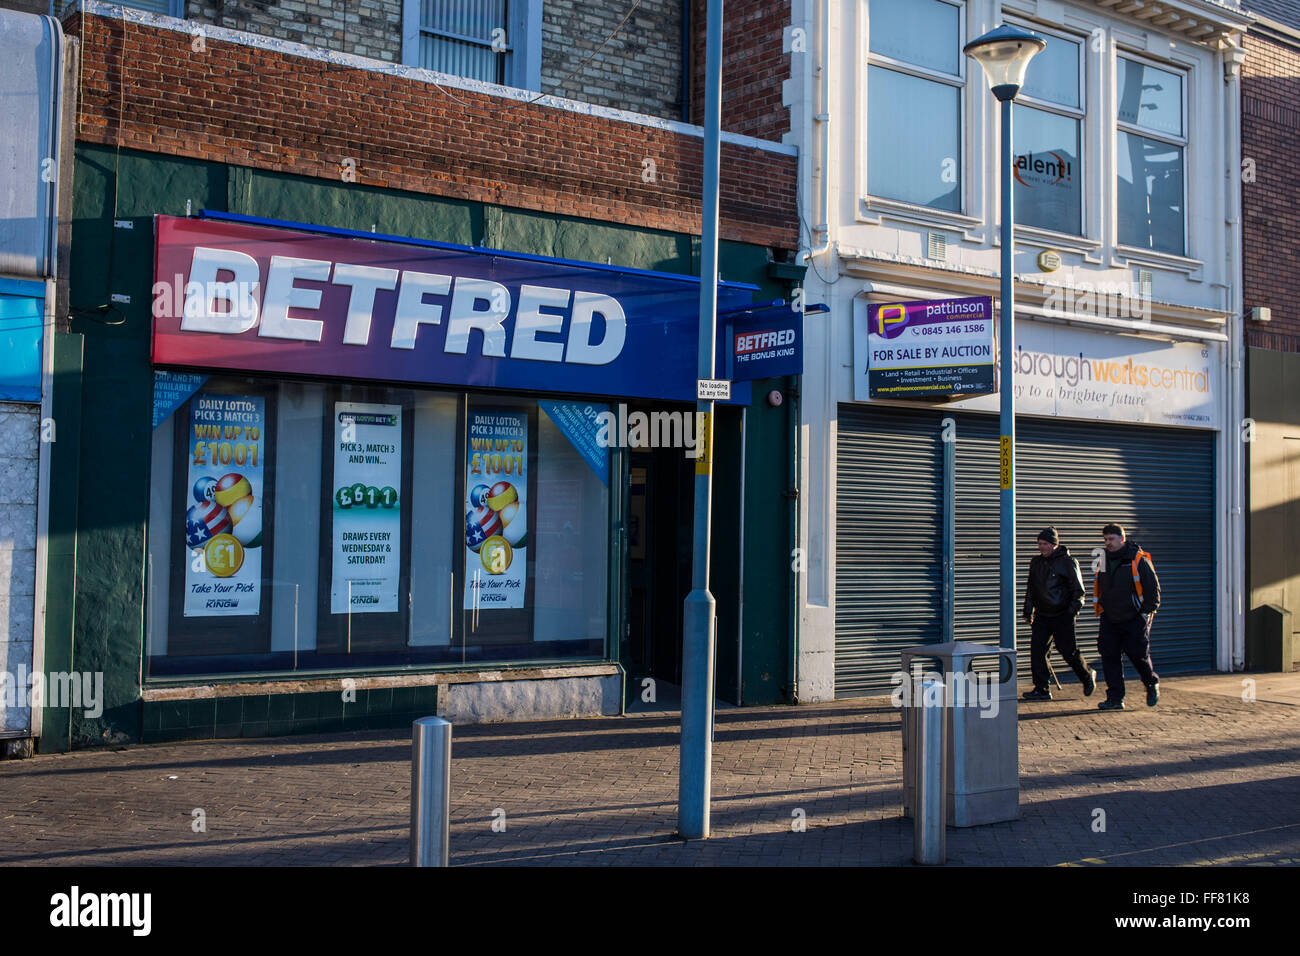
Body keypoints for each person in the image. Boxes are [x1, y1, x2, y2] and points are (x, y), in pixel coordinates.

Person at [1021, 527, 1095, 701]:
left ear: (1054, 544)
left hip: (1062, 615)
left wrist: (1071, 612)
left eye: (1045, 544)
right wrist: (1027, 610)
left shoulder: (1068, 562)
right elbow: (1031, 589)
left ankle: (1087, 675)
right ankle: (1042, 689)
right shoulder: (1036, 562)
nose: (1041, 547)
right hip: (1042, 615)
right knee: (1038, 652)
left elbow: (1079, 592)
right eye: (1039, 543)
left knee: (1068, 651)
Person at [1093, 522, 1161, 710]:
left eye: (1112, 539)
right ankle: (1115, 699)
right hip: (1110, 617)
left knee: (1138, 655)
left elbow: (1153, 590)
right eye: (1105, 539)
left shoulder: (1137, 559)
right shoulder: (1103, 559)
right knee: (1109, 657)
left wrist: (1144, 613)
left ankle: (1151, 682)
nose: (1108, 543)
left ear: (1122, 539)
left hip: (1133, 618)